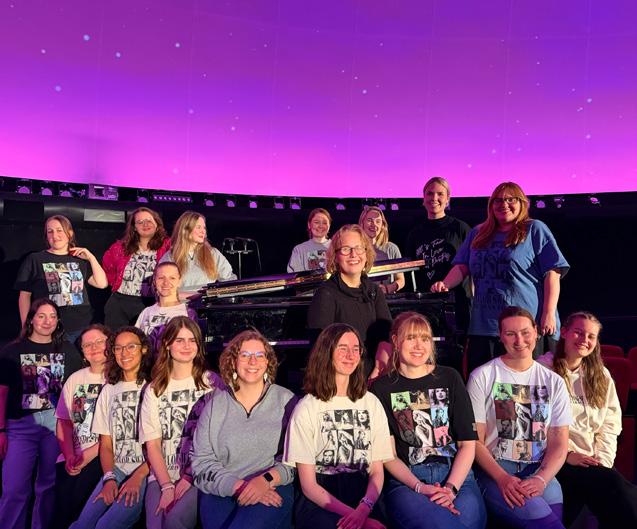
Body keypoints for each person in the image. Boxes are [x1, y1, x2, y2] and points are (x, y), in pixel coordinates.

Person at [431, 182, 569, 375]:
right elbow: (462, 266)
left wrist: (549, 312)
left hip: (525, 327)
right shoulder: (478, 233)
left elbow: (553, 273)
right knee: (485, 386)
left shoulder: (534, 229)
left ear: (522, 203)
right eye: (498, 200)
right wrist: (445, 283)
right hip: (484, 327)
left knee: (525, 387)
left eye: (510, 199)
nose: (504, 204)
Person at [370, 311, 486, 529]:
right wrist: (420, 488)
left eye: (425, 338)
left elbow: (467, 444)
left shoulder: (450, 377)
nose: (419, 345)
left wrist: (450, 489)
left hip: (456, 476)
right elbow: (389, 455)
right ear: (395, 341)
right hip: (409, 480)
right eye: (411, 338)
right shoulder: (382, 388)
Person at [466, 306, 571, 529]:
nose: (519, 340)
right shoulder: (482, 376)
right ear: (500, 336)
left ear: (536, 332)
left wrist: (541, 479)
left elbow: (559, 442)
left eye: (525, 332)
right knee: (546, 524)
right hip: (496, 470)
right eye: (511, 334)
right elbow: (475, 441)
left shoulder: (554, 381)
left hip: (539, 469)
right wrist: (502, 478)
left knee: (553, 517)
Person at [284, 323, 393, 529]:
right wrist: (356, 518)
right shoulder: (307, 407)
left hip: (364, 495)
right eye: (342, 348)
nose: (350, 355)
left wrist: (364, 509)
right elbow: (309, 486)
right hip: (321, 497)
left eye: (355, 349)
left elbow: (377, 471)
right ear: (326, 353)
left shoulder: (371, 403)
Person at [538, 311, 637, 527]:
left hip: (592, 461)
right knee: (615, 491)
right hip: (554, 459)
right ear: (564, 332)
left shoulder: (601, 375)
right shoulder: (542, 371)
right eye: (578, 332)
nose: (584, 340)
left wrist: (602, 461)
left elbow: (610, 425)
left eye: (591, 336)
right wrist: (567, 455)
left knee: (613, 491)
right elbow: (535, 426)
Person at [192, 329, 297, 529]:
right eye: (245, 355)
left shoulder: (287, 401)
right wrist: (239, 486)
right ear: (233, 361)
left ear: (268, 362)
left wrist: (265, 480)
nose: (252, 361)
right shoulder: (214, 405)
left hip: (272, 486)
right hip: (222, 487)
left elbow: (297, 459)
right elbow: (201, 462)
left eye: (259, 355)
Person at [0, 298, 82, 529]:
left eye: (53, 317)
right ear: (31, 319)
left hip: (55, 427)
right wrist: (1, 430)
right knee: (14, 488)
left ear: (58, 321)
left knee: (48, 486)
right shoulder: (12, 350)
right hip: (20, 427)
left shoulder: (68, 351)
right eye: (42, 316)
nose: (48, 322)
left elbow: (77, 390)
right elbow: (2, 394)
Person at [139, 316, 221, 529]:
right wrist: (166, 486)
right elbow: (153, 445)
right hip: (162, 474)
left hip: (199, 473)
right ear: (167, 344)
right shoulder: (154, 389)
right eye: (179, 340)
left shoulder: (212, 383)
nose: (187, 346)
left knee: (174, 520)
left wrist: (188, 477)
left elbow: (218, 439)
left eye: (192, 340)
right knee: (156, 524)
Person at [70, 327, 153, 529]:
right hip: (116, 467)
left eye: (131, 346)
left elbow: (165, 444)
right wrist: (109, 478)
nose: (124, 353)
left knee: (105, 525)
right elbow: (106, 444)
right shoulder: (109, 390)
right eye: (118, 348)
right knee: (82, 524)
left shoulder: (154, 386)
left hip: (147, 470)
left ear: (143, 349)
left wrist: (138, 477)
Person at [307, 224, 392, 378]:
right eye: (346, 249)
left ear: (366, 253)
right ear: (335, 256)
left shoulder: (374, 291)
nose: (353, 254)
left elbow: (386, 336)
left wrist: (379, 367)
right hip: (343, 377)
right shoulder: (325, 294)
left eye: (359, 248)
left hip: (374, 376)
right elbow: (322, 348)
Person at [52, 324, 112, 529]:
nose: (94, 347)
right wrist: (69, 455)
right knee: (62, 511)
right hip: (73, 456)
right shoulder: (75, 379)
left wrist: (87, 455)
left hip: (102, 457)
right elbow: (64, 422)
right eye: (87, 345)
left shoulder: (117, 379)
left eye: (99, 342)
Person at [15, 215, 108, 342]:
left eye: (59, 230)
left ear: (70, 233)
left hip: (80, 327)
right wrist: (26, 326)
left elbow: (102, 284)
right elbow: (24, 296)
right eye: (50, 231)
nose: (55, 235)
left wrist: (91, 257)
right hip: (49, 327)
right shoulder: (35, 259)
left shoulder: (80, 260)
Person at [404, 177, 471, 331]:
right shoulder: (414, 233)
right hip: (425, 305)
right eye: (430, 193)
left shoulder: (460, 229)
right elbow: (409, 274)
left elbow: (470, 266)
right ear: (423, 199)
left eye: (440, 194)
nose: (434, 198)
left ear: (448, 199)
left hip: (457, 303)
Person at [102, 207, 171, 329]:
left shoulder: (168, 247)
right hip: (119, 304)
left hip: (150, 302)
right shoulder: (120, 247)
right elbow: (108, 270)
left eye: (149, 221)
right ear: (134, 227)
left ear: (157, 224)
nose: (145, 224)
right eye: (140, 222)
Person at [160, 211, 236, 298]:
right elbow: (161, 288)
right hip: (179, 304)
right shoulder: (170, 257)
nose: (203, 231)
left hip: (206, 304)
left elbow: (229, 281)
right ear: (185, 230)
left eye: (204, 228)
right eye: (198, 227)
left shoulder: (213, 254)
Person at [135, 262, 197, 348]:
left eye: (172, 278)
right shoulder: (146, 312)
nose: (166, 283)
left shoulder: (188, 313)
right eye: (161, 278)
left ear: (179, 281)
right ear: (154, 281)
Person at [358, 206, 404, 294]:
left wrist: (387, 289)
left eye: (378, 221)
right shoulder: (355, 249)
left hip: (387, 299)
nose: (374, 224)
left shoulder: (392, 248)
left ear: (382, 225)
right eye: (369, 220)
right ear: (362, 223)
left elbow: (401, 279)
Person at [287, 208, 332, 272]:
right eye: (316, 222)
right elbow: (296, 275)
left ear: (329, 225)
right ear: (309, 225)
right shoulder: (299, 249)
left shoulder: (336, 247)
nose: (320, 226)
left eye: (324, 223)